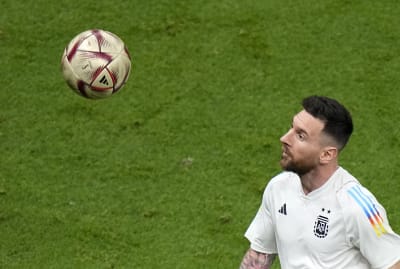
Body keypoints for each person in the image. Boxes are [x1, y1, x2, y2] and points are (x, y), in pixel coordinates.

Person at [239, 96, 400, 269]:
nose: (285, 138)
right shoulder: (278, 188)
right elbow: (259, 256)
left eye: (300, 136)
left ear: (326, 155)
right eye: (291, 128)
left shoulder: (357, 207)